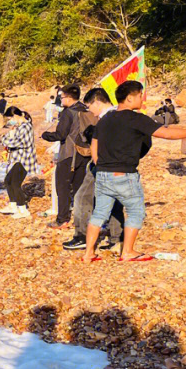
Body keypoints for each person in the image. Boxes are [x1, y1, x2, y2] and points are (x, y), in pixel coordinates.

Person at [82, 80, 186, 263]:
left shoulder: (105, 119)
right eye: (140, 95)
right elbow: (166, 133)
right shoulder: (136, 119)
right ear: (130, 98)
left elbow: (94, 144)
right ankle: (128, 251)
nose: (142, 98)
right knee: (136, 211)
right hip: (125, 175)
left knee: (99, 213)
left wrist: (102, 165)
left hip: (103, 174)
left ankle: (88, 253)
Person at [63, 87, 122, 250]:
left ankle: (81, 235)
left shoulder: (108, 118)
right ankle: (116, 237)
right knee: (113, 199)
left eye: (90, 106)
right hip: (114, 164)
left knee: (82, 197)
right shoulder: (118, 114)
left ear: (97, 102)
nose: (90, 111)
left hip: (103, 164)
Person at [41, 85, 89, 228]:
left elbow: (61, 134)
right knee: (79, 187)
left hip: (69, 153)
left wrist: (45, 135)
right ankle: (82, 219)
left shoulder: (69, 112)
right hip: (85, 153)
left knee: (62, 186)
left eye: (61, 97)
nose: (60, 100)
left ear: (68, 97)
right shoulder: (86, 109)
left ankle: (62, 219)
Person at [0, 106, 38, 218]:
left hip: (25, 159)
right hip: (18, 159)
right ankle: (13, 205)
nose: (10, 121)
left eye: (10, 118)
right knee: (8, 181)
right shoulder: (19, 127)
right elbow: (8, 139)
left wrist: (4, 140)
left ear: (16, 116)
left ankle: (23, 209)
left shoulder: (26, 127)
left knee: (15, 183)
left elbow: (18, 143)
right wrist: (8, 135)